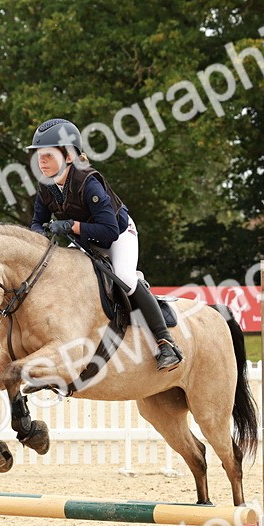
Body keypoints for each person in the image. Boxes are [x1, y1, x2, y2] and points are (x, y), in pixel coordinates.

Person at [26, 118, 182, 371]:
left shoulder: (89, 182)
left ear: (69, 156)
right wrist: (40, 238)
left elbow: (109, 232)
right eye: (39, 156)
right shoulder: (45, 187)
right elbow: (37, 223)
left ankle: (166, 342)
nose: (41, 161)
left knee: (124, 277)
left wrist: (71, 226)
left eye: (48, 155)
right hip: (86, 240)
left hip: (119, 235)